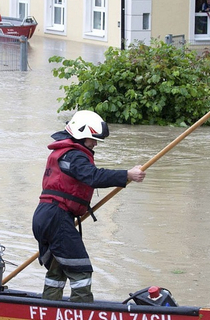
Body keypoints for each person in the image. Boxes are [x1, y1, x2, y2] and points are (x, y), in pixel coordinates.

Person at [32, 110, 146, 303]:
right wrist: (127, 175)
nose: (95, 144)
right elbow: (93, 176)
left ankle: (49, 307)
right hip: (55, 216)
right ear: (80, 135)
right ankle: (82, 313)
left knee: (58, 268)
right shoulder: (72, 156)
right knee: (80, 267)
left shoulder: (66, 153)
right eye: (92, 139)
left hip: (50, 215)